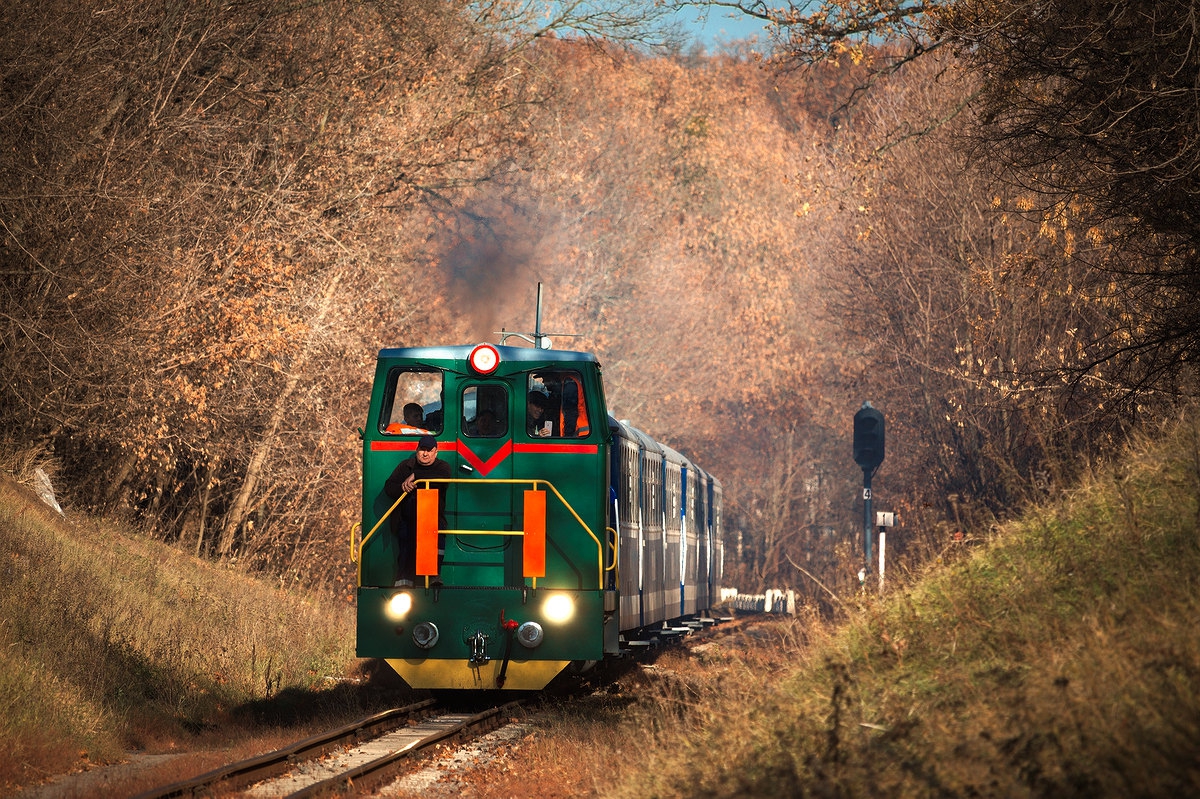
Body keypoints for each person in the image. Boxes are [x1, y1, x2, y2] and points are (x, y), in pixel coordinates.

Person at [383, 435, 451, 586]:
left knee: (435, 544)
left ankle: (433, 577)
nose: (425, 454)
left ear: (436, 452)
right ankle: (403, 584)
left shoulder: (442, 467)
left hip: (432, 521)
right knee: (406, 548)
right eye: (422, 450)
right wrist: (403, 487)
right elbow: (389, 487)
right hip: (406, 520)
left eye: (429, 450)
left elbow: (443, 478)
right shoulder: (405, 466)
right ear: (417, 450)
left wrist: (416, 476)